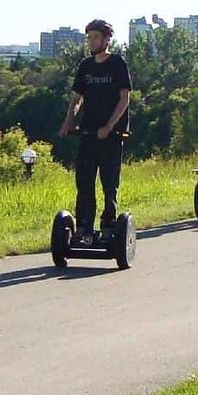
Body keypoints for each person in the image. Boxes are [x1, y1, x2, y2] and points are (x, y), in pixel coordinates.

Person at [58, 20, 132, 245]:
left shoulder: (117, 64)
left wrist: (109, 126)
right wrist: (69, 121)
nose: (91, 41)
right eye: (89, 37)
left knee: (109, 185)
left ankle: (109, 226)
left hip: (111, 136)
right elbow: (77, 98)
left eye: (95, 37)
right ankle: (84, 228)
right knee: (84, 183)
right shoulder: (86, 66)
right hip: (88, 133)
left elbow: (124, 98)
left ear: (107, 39)